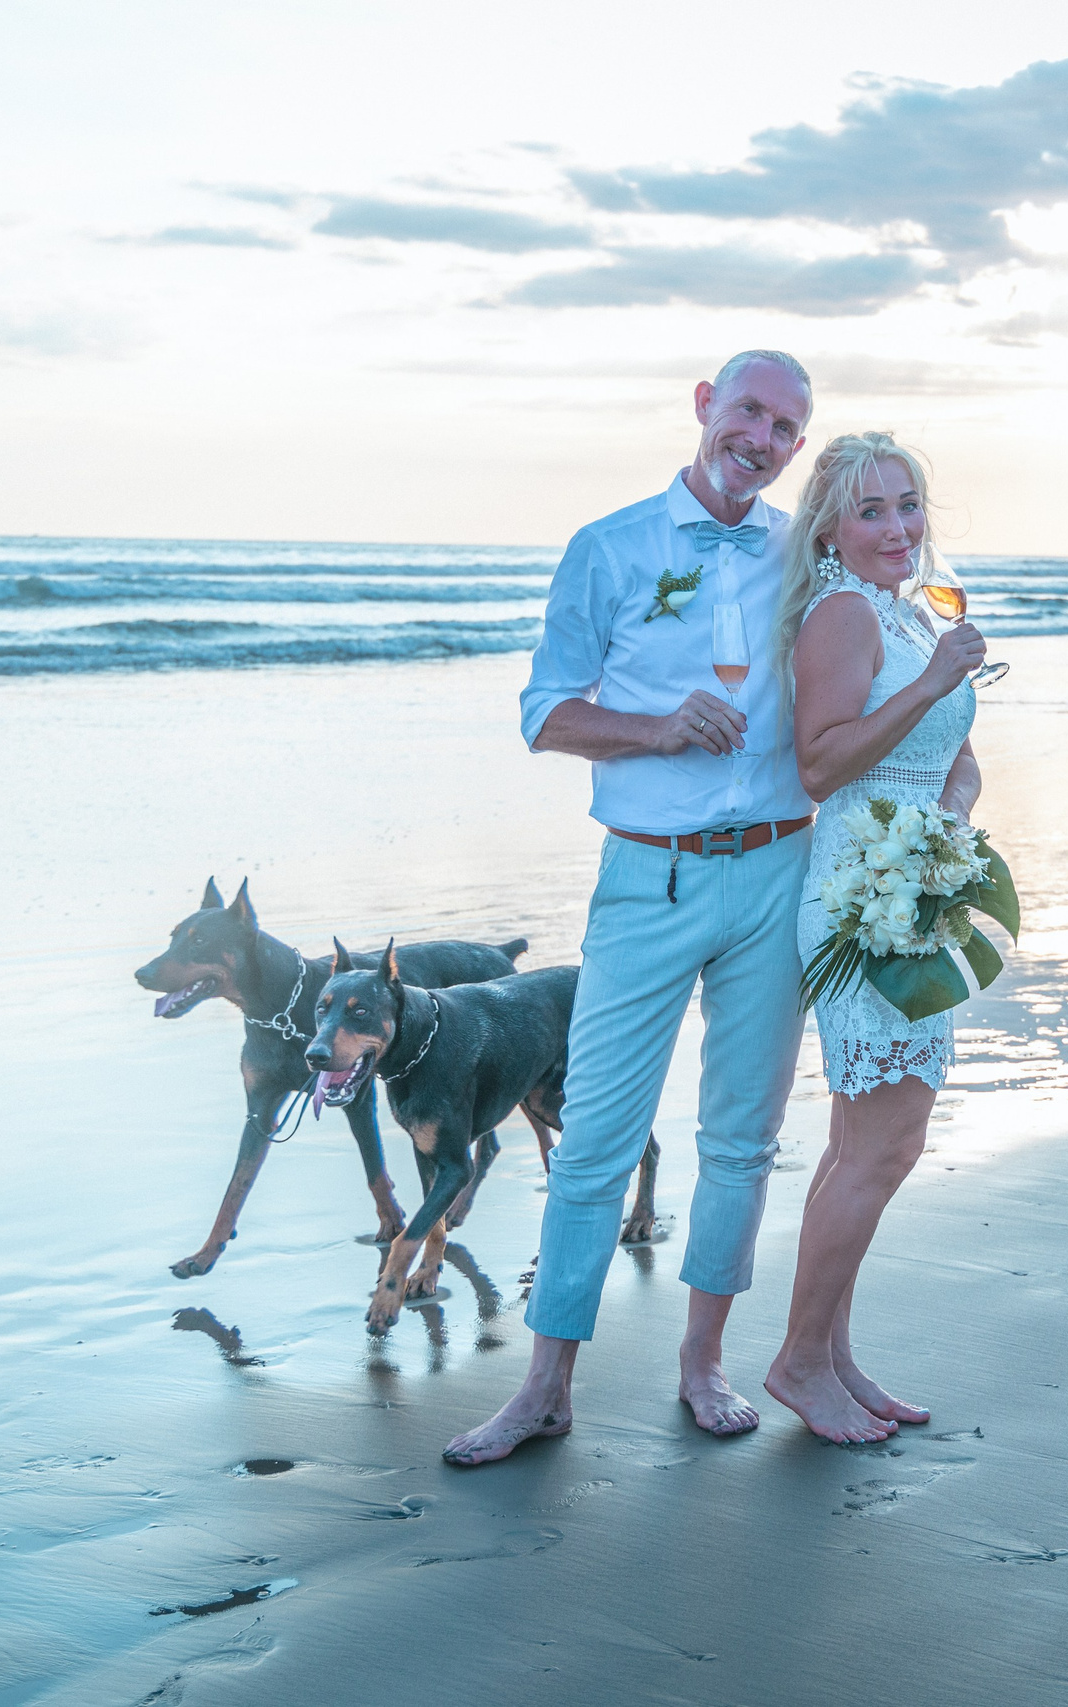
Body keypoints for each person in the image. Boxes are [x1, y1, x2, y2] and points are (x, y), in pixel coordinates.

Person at [445, 350, 817, 1466]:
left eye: (785, 427)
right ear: (705, 406)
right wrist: (654, 730)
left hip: (780, 871)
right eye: (747, 411)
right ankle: (543, 1388)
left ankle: (703, 1366)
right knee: (596, 1137)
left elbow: (865, 663)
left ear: (799, 445)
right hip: (647, 878)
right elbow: (544, 713)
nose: (761, 438)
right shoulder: (608, 548)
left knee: (742, 1137)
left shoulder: (808, 551)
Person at [764, 433, 988, 1443]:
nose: (898, 526)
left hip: (911, 882)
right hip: (863, 894)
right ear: (830, 530)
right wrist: (933, 679)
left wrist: (949, 830)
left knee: (863, 1141)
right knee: (886, 1144)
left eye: (907, 503)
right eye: (871, 510)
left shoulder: (904, 612)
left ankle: (831, 1352)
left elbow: (957, 758)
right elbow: (820, 765)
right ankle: (799, 1361)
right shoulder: (845, 615)